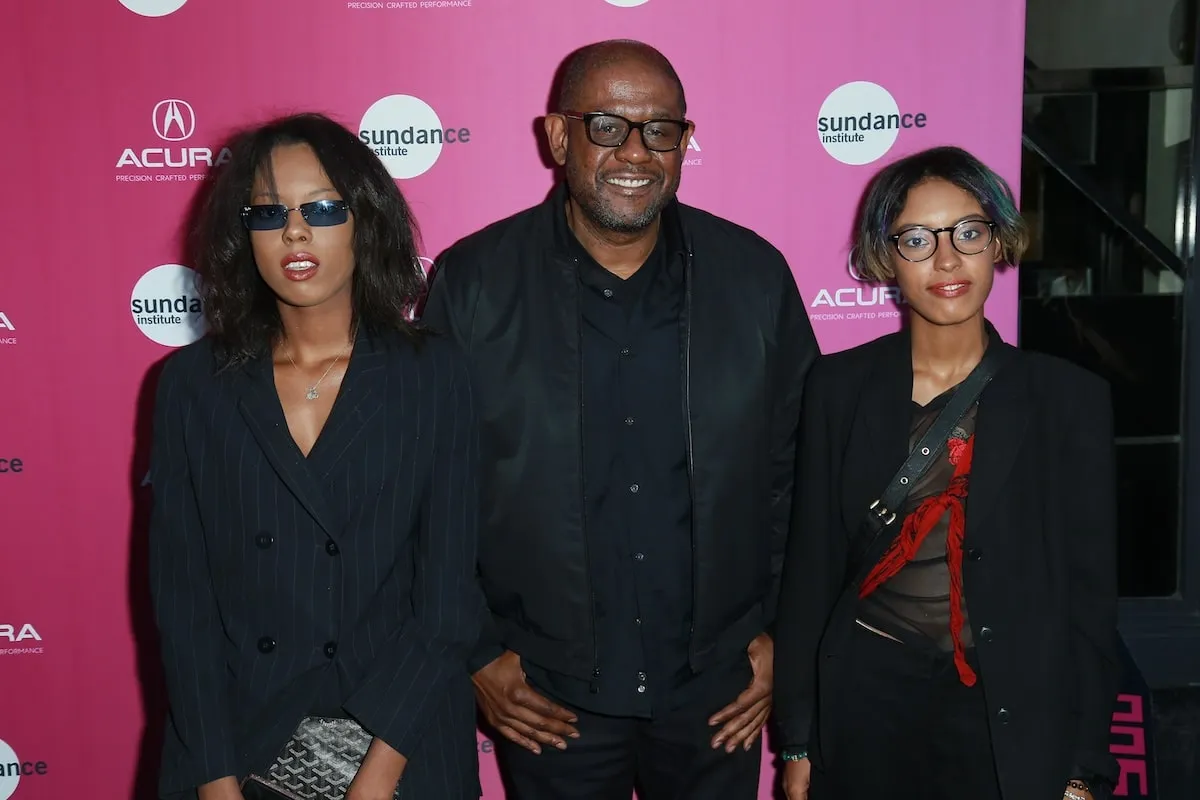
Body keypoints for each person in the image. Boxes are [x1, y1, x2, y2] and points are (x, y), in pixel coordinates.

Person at [420, 39, 818, 799]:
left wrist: (781, 638)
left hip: (717, 694)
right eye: (607, 125)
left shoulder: (753, 278)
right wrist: (477, 653)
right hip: (549, 697)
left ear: (684, 142)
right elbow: (434, 489)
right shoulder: (474, 285)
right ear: (558, 136)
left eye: (660, 129)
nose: (635, 151)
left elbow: (798, 475)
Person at [147, 113, 482, 800]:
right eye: (269, 213)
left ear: (365, 219)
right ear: (244, 235)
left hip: (404, 742)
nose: (294, 232)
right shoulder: (192, 386)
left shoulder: (434, 373)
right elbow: (184, 606)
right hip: (241, 744)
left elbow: (447, 601)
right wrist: (214, 781)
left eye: (322, 209)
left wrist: (375, 779)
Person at [773, 146, 1119, 800]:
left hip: (1006, 710)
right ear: (885, 258)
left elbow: (1089, 602)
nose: (947, 258)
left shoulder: (1068, 400)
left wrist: (1083, 763)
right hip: (866, 701)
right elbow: (810, 571)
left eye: (968, 231)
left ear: (999, 242)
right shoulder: (838, 388)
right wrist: (797, 736)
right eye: (916, 239)